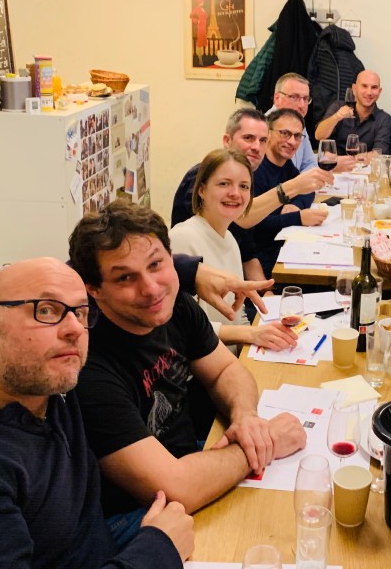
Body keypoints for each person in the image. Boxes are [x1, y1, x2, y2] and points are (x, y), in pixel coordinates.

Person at [0, 258, 193, 568]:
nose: (74, 329)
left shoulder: (46, 387)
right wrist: (157, 550)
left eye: (81, 313)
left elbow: (106, 262)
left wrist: (192, 271)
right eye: (46, 310)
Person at [69, 201, 307, 535]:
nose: (151, 288)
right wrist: (266, 443)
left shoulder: (171, 304)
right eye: (125, 277)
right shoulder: (88, 366)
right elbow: (175, 487)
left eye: (156, 264)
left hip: (194, 462)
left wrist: (246, 417)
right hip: (136, 513)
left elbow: (225, 370)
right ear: (94, 290)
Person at [170, 149, 297, 353]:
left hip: (232, 358)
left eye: (244, 186)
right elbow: (184, 327)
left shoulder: (229, 239)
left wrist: (255, 345)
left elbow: (239, 316)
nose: (235, 193)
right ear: (201, 190)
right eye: (224, 184)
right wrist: (251, 334)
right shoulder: (183, 238)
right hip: (202, 365)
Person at [170, 108, 331, 229]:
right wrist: (293, 194)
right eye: (248, 138)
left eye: (262, 140)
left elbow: (245, 244)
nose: (256, 147)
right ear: (227, 141)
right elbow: (241, 220)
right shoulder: (203, 175)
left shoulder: (247, 173)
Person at [252, 108, 329, 278]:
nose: (292, 141)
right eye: (285, 133)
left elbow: (307, 190)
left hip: (283, 246)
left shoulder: (285, 164)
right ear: (268, 134)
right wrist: (298, 218)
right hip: (261, 259)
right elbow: (255, 224)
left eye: (297, 136)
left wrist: (296, 205)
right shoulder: (256, 170)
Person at [270, 72, 358, 173]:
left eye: (305, 99)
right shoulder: (264, 128)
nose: (302, 105)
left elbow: (309, 163)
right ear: (277, 98)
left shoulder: (299, 123)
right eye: (294, 97)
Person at [314, 69, 391, 155]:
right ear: (354, 89)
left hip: (358, 164)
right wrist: (337, 117)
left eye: (374, 87)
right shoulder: (338, 107)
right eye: (364, 86)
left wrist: (344, 160)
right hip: (334, 163)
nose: (369, 92)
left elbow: (378, 153)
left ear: (379, 92)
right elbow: (319, 135)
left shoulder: (384, 120)